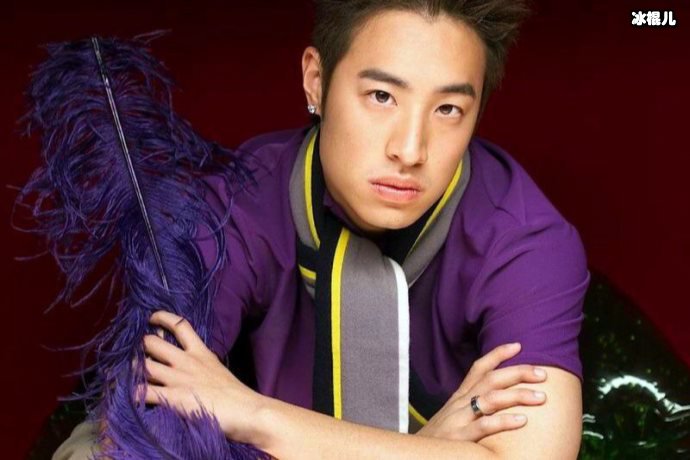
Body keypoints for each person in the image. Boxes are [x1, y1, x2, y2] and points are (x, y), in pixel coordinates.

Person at [55, 1, 589, 458]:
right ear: (317, 79)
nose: (410, 149)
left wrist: (254, 415)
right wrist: (430, 449)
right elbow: (147, 421)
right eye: (381, 96)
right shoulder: (237, 204)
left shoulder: (524, 240)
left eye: (448, 109)